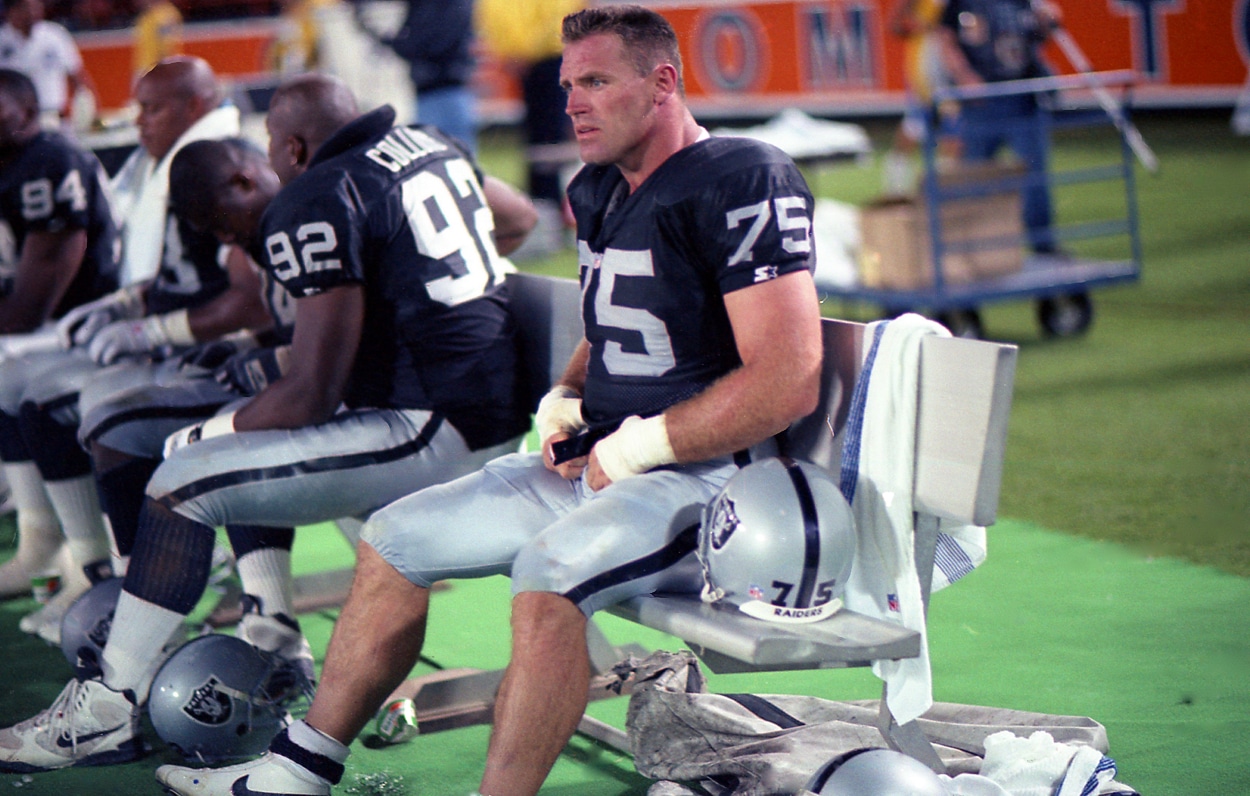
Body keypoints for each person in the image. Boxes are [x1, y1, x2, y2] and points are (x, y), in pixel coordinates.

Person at [154, 6, 825, 796]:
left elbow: (787, 379)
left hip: (715, 486)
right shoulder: (603, 185)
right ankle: (301, 769)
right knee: (393, 538)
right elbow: (615, 316)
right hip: (604, 465)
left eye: (597, 82)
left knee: (548, 574)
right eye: (569, 82)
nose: (570, 101)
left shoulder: (741, 176)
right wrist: (568, 393)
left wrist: (637, 447)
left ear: (663, 84)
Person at [0, 70, 539, 773]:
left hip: (431, 419)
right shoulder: (427, 143)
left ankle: (107, 709)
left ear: (290, 148)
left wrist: (207, 434)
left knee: (186, 476)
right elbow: (521, 219)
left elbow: (309, 392)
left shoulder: (319, 192)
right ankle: (246, 631)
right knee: (232, 448)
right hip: (474, 401)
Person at [0, 55, 245, 636]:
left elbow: (246, 297)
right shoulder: (167, 159)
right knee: (26, 390)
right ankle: (74, 558)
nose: (137, 121)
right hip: (172, 337)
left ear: (196, 105)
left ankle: (138, 577)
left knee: (82, 410)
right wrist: (128, 308)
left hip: (215, 353)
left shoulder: (219, 164)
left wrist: (152, 329)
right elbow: (166, 274)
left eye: (152, 107)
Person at [0, 67, 117, 600]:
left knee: (16, 382)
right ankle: (41, 542)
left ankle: (89, 560)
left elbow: (32, 304)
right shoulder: (15, 163)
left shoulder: (47, 163)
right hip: (43, 330)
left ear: (24, 110)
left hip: (84, 327)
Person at [936, 0, 1062, 254]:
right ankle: (968, 249)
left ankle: (1044, 247)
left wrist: (1045, 21)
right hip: (982, 102)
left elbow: (1035, 40)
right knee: (973, 176)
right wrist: (964, 76)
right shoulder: (961, 3)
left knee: (1034, 177)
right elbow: (945, 37)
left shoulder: (1023, 3)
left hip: (1022, 96)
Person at [476, 0, 584, 256]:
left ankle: (555, 219)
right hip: (528, 61)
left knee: (551, 140)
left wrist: (525, 50)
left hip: (547, 58)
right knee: (539, 140)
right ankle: (546, 218)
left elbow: (559, 18)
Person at [384, 0, 478, 154]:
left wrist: (397, 43)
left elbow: (430, 39)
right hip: (437, 87)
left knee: (447, 156)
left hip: (443, 86)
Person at [881, 0, 954, 195]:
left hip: (951, 68)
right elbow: (895, 25)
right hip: (925, 68)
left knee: (953, 135)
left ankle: (940, 191)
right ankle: (895, 191)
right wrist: (919, 26)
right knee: (914, 128)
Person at [0, 0, 97, 128]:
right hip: (14, 123)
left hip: (54, 116)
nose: (33, 12)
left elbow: (77, 75)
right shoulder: (2, 39)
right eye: (27, 7)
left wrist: (91, 110)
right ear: (12, 11)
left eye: (37, 7)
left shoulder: (54, 35)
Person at [131, 0, 183, 79]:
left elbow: (167, 44)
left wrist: (164, 68)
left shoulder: (165, 14)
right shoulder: (149, 14)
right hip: (146, 66)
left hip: (157, 69)